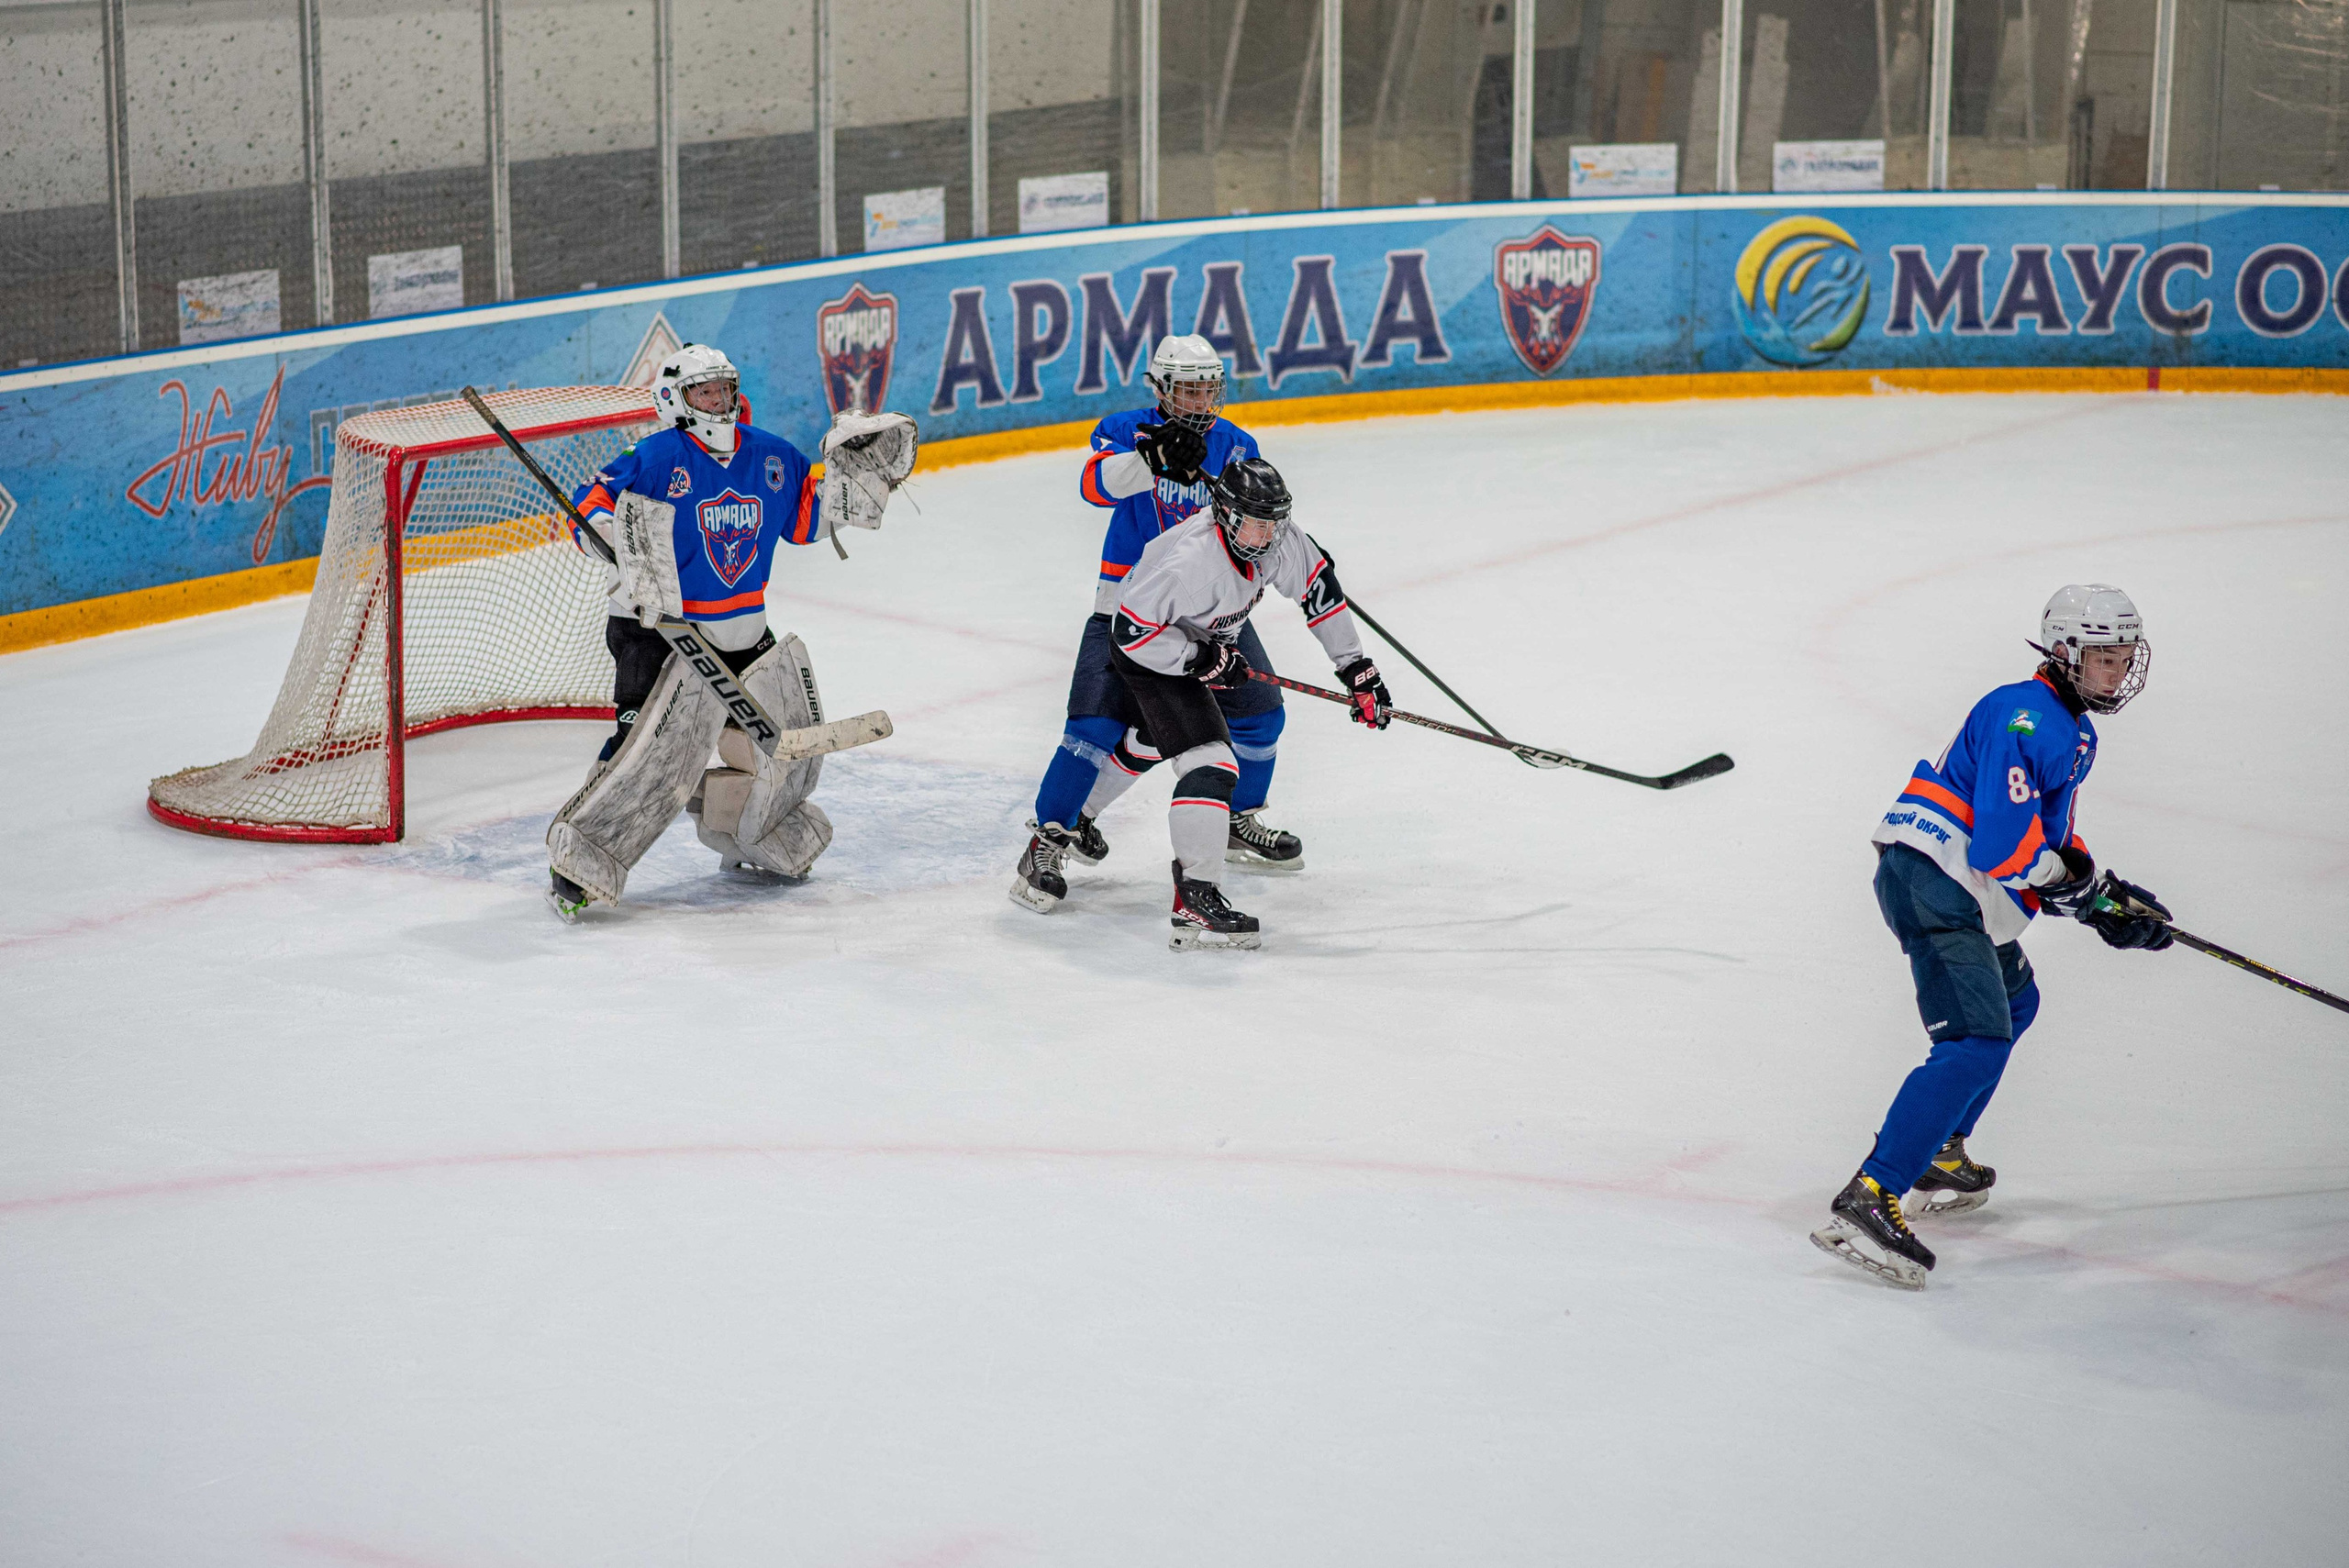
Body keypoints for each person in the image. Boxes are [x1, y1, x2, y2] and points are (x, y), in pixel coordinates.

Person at [1812, 584, 2174, 1288]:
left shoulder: (2068, 728)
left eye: (2124, 654)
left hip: (1953, 885)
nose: (2117, 669)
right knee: (1976, 1040)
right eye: (2104, 655)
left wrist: (2102, 897)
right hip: (1935, 882)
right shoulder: (2025, 717)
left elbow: (2048, 845)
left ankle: (1941, 1149)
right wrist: (2080, 891)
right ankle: (1872, 1193)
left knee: (2016, 1005)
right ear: (2065, 652)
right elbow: (2003, 850)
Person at [543, 343, 912, 919]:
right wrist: (614, 539)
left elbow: (804, 521)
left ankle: (750, 834)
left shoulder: (773, 455)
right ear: (674, 399)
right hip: (661, 630)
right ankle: (581, 861)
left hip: (744, 632)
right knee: (645, 755)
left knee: (782, 750)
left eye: (723, 388)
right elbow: (588, 507)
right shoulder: (654, 455)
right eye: (704, 391)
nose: (718, 400)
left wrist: (852, 490)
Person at [1008, 333, 1307, 914]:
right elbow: (1094, 486)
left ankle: (1235, 818)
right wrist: (1152, 460)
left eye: (1208, 390)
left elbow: (1252, 521)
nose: (1200, 401)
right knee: (1093, 729)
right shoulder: (1125, 429)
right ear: (1161, 388)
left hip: (1212, 615)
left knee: (1262, 717)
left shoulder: (1236, 444)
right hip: (1128, 610)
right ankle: (1048, 841)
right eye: (1188, 389)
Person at [1098, 457, 1391, 949]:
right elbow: (1130, 634)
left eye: (1274, 524)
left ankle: (1080, 816)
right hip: (1154, 652)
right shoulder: (1190, 564)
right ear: (1227, 517)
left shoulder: (1277, 537)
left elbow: (1318, 591)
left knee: (1159, 738)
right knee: (1211, 763)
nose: (1269, 537)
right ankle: (1196, 898)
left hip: (1212, 639)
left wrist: (1354, 667)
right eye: (1257, 525)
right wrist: (1197, 658)